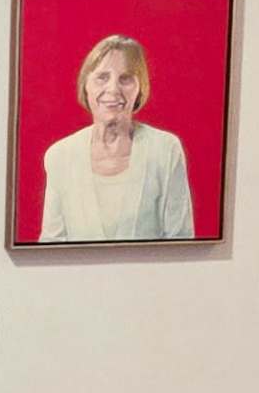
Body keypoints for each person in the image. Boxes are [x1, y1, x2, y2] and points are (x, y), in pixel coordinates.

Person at [36, 34, 198, 243]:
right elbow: (51, 246)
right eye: (102, 77)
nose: (113, 89)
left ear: (140, 88)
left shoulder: (165, 150)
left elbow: (181, 244)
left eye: (126, 78)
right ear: (86, 85)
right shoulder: (60, 156)